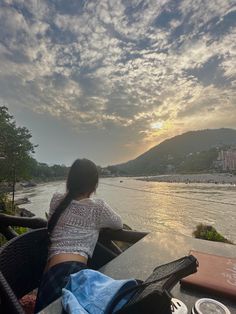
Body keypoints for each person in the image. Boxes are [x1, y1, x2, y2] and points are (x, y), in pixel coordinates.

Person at [34, 158, 123, 313]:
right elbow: (118, 224)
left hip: (48, 276)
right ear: (94, 184)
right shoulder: (98, 207)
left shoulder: (56, 199)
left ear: (70, 180)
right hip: (73, 275)